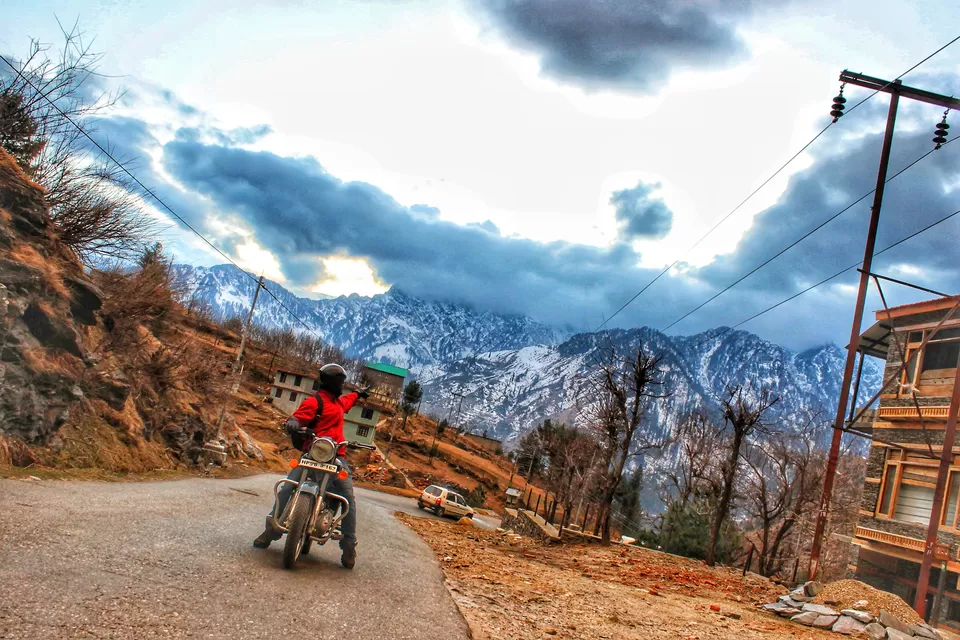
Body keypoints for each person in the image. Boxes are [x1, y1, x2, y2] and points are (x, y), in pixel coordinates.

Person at [253, 363, 370, 569]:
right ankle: (271, 530)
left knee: (348, 500)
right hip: (312, 455)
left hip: (336, 458)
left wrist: (358, 394)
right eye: (341, 382)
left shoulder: (339, 403)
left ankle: (349, 545)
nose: (343, 386)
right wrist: (293, 424)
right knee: (288, 486)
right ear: (332, 382)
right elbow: (297, 417)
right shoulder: (315, 402)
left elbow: (348, 400)